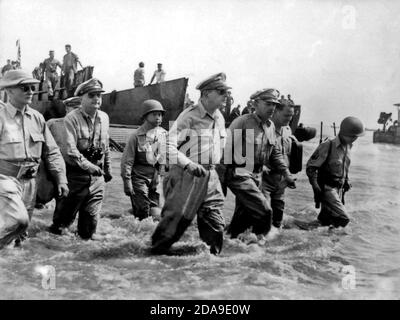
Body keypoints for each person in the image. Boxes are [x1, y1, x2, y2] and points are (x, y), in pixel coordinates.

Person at [151, 72, 230, 255]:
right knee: (172, 228)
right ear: (206, 93)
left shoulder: (219, 117)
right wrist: (188, 164)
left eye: (225, 92)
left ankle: (210, 265)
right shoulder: (189, 116)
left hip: (210, 177)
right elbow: (166, 145)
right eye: (221, 92)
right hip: (187, 175)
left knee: (215, 224)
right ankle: (150, 259)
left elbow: (220, 147)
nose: (225, 96)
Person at [0, 70, 68, 249]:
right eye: (24, 87)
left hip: (30, 183)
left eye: (32, 87)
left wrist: (61, 178)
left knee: (20, 235)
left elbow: (52, 152)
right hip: (5, 180)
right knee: (18, 221)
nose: (30, 91)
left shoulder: (37, 118)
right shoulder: (1, 117)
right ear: (9, 91)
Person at [222, 89, 296, 240]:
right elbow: (225, 152)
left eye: (274, 104)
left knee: (242, 219)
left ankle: (228, 244)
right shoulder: (242, 122)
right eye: (268, 104)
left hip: (257, 176)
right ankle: (260, 245)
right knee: (265, 210)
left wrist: (287, 175)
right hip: (240, 174)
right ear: (256, 104)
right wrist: (221, 182)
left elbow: (275, 154)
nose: (272, 108)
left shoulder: (270, 127)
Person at [49, 78, 112, 239]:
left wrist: (107, 169)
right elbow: (71, 150)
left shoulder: (104, 118)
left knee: (88, 230)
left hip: (97, 179)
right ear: (81, 98)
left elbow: (106, 146)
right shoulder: (72, 118)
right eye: (92, 95)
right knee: (61, 227)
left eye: (99, 95)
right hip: (75, 177)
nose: (97, 99)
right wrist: (90, 167)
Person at [306, 116, 365, 228]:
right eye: (353, 137)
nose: (355, 139)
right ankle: (330, 241)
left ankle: (317, 240)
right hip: (327, 188)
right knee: (343, 218)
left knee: (325, 221)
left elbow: (344, 166)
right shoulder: (328, 145)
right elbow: (311, 167)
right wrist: (315, 187)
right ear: (345, 134)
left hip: (338, 188)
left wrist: (346, 181)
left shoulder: (348, 146)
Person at [121, 99, 167, 220]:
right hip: (139, 179)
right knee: (143, 212)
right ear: (145, 116)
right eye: (154, 114)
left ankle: (125, 216)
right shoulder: (135, 136)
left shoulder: (165, 135)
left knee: (157, 213)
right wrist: (127, 182)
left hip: (156, 180)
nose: (158, 118)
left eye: (160, 114)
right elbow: (127, 161)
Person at [261, 101, 296, 231]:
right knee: (263, 213)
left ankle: (273, 245)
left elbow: (287, 154)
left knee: (277, 217)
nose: (289, 119)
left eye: (291, 116)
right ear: (276, 111)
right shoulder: (265, 129)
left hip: (281, 181)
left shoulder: (287, 130)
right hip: (265, 179)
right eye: (286, 115)